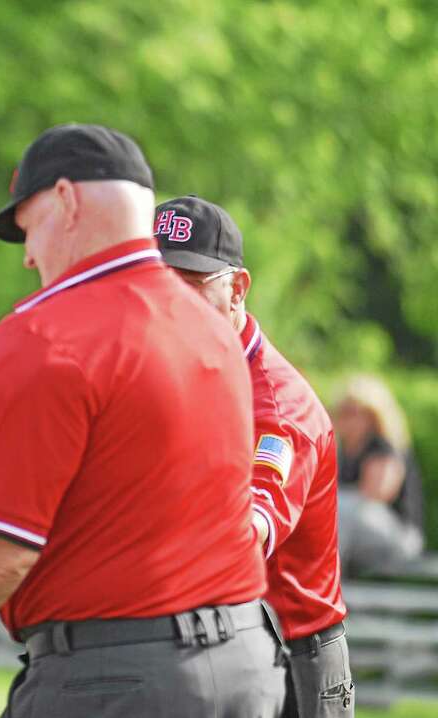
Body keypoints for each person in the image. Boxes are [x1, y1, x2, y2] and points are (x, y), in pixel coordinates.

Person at [0, 124, 285, 717]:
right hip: (246, 665)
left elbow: (3, 550)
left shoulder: (44, 334)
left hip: (117, 676)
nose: (28, 254)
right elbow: (97, 493)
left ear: (65, 201)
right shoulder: (214, 329)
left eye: (28, 228)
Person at [155, 195, 353, 716]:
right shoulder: (182, 373)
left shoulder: (277, 408)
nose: (169, 306)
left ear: (237, 287)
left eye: (191, 286)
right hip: (216, 645)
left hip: (293, 657)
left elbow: (245, 536)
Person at [333, 374, 425, 574]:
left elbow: (376, 494)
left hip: (401, 538)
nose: (345, 419)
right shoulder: (345, 450)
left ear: (372, 416)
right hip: (366, 537)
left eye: (353, 412)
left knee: (340, 504)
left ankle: (329, 578)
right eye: (343, 412)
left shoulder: (383, 448)